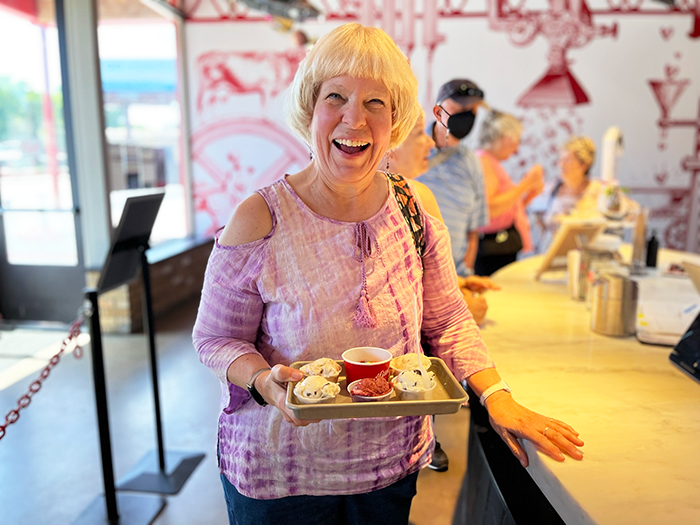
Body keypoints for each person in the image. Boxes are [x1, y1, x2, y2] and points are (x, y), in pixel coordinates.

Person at [193, 23, 584, 525]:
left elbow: (448, 320)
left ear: (395, 118)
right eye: (336, 96)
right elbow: (216, 338)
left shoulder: (414, 206)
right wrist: (264, 380)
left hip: (388, 468)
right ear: (310, 107)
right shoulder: (261, 217)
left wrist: (496, 397)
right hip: (281, 475)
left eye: (376, 102)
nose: (354, 119)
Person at [387, 112, 501, 473]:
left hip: (398, 433)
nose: (432, 142)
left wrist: (458, 286)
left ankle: (426, 439)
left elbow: (433, 296)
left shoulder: (416, 200)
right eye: (419, 133)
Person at [417, 79, 489, 277]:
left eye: (472, 110)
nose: (466, 115)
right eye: (460, 107)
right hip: (411, 277)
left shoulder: (471, 162)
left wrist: (466, 276)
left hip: (454, 278)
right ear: (438, 110)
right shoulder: (409, 148)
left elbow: (473, 231)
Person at [474, 109, 544, 276]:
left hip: (499, 244)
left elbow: (504, 208)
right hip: (493, 246)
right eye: (517, 141)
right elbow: (489, 209)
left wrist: (527, 196)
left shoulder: (490, 162)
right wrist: (524, 185)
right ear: (507, 138)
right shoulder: (484, 162)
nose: (516, 149)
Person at [533, 136, 596, 252]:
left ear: (584, 165)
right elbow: (535, 213)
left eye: (568, 160)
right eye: (560, 159)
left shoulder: (597, 190)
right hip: (551, 253)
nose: (561, 165)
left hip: (586, 255)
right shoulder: (550, 190)